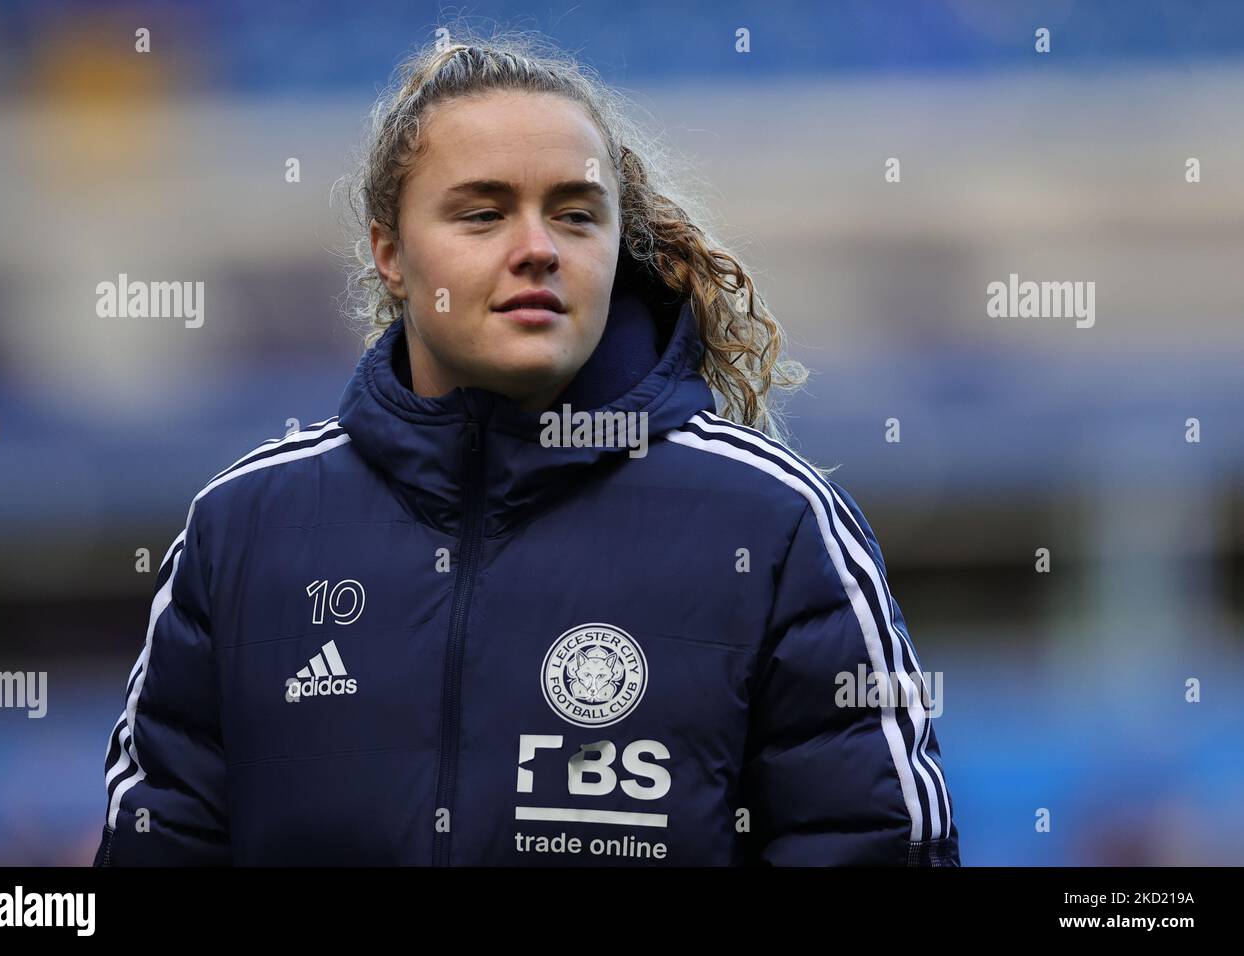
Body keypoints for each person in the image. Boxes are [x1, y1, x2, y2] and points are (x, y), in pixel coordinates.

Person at [93, 34, 958, 866]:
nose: (538, 248)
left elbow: (875, 843)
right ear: (390, 254)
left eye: (576, 215)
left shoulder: (774, 525)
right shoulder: (245, 530)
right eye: (483, 212)